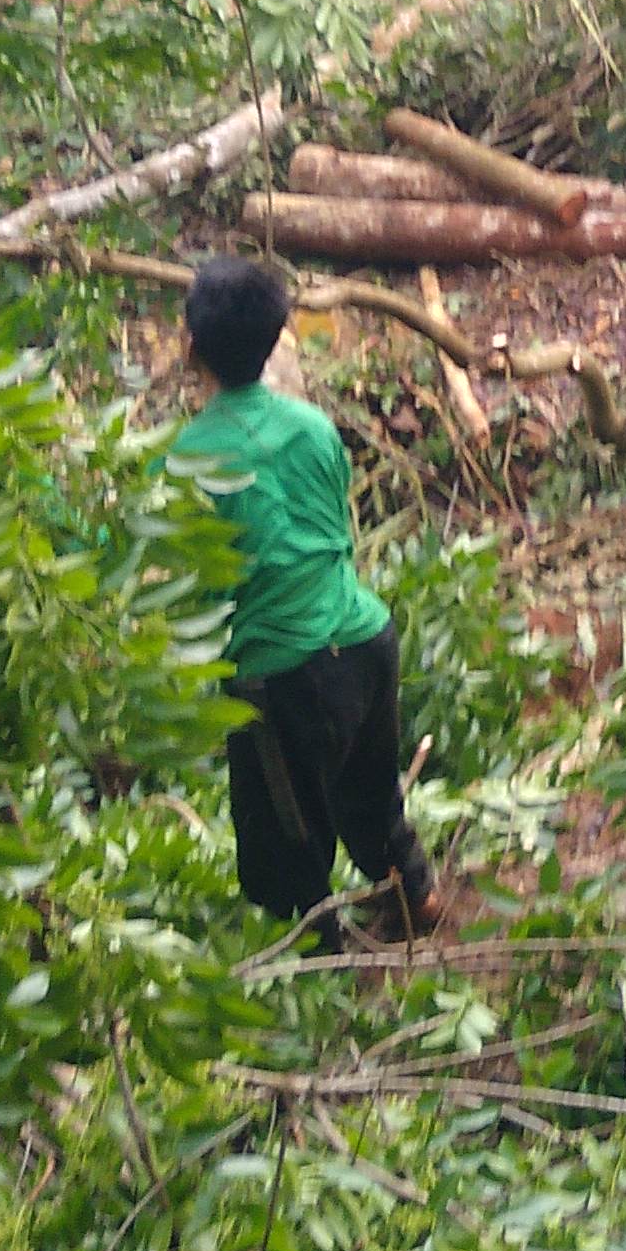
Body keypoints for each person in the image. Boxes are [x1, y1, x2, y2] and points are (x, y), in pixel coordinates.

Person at [170, 255, 435, 946]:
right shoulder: (315, 429)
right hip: (366, 640)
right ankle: (416, 899)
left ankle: (327, 977)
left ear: (189, 345)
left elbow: (185, 576)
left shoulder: (184, 458)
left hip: (287, 679)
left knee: (283, 856)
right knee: (370, 800)